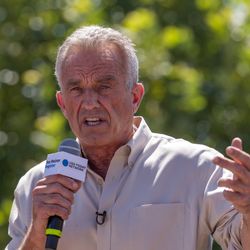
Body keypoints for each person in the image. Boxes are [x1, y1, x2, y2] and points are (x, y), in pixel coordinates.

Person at [6, 25, 250, 250]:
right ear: (62, 104)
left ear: (135, 96)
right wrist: (37, 233)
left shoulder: (195, 167)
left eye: (104, 87)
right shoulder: (37, 185)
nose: (90, 103)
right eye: (77, 89)